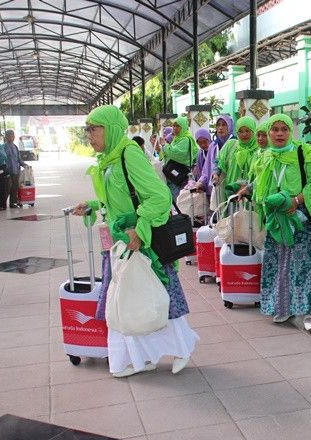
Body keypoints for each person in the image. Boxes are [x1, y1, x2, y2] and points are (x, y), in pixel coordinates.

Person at [72, 105, 199, 378]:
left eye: (94, 129)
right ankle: (139, 357)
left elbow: (159, 197)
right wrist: (94, 205)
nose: (89, 135)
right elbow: (116, 200)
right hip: (120, 244)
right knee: (127, 301)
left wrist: (139, 230)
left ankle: (182, 348)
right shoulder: (108, 159)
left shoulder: (129, 154)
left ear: (112, 128)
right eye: (87, 130)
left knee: (157, 296)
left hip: (141, 243)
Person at [252, 113, 311, 332]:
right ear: (268, 132)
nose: (279, 134)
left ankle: (308, 311)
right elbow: (260, 184)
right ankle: (282, 307)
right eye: (275, 129)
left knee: (303, 263)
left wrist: (296, 200)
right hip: (277, 219)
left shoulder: (304, 152)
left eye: (284, 129)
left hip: (302, 218)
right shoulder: (265, 156)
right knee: (278, 262)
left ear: (291, 131)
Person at [215, 116, 258, 198]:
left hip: (250, 194)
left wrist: (249, 188)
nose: (244, 134)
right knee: (232, 210)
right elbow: (218, 161)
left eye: (247, 131)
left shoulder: (259, 150)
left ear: (253, 131)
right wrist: (216, 173)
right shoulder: (231, 145)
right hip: (231, 190)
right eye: (240, 131)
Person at [197, 115, 235, 201]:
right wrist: (201, 182)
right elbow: (207, 169)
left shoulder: (236, 144)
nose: (220, 128)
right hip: (216, 186)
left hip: (232, 185)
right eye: (218, 125)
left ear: (230, 126)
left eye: (224, 125)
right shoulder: (213, 146)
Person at [159, 117, 196, 199]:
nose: (175, 128)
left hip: (180, 173)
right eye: (174, 126)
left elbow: (174, 153)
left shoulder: (185, 139)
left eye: (177, 126)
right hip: (173, 173)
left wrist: (164, 145)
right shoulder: (177, 139)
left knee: (178, 199)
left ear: (183, 127)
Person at [3, 130, 27, 208]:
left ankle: (13, 203)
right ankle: (3, 203)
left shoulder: (15, 147)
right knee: (7, 187)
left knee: (15, 187)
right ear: (6, 137)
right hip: (7, 171)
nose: (11, 138)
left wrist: (25, 165)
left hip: (16, 170)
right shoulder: (3, 147)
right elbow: (1, 159)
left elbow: (19, 159)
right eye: (9, 136)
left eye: (12, 136)